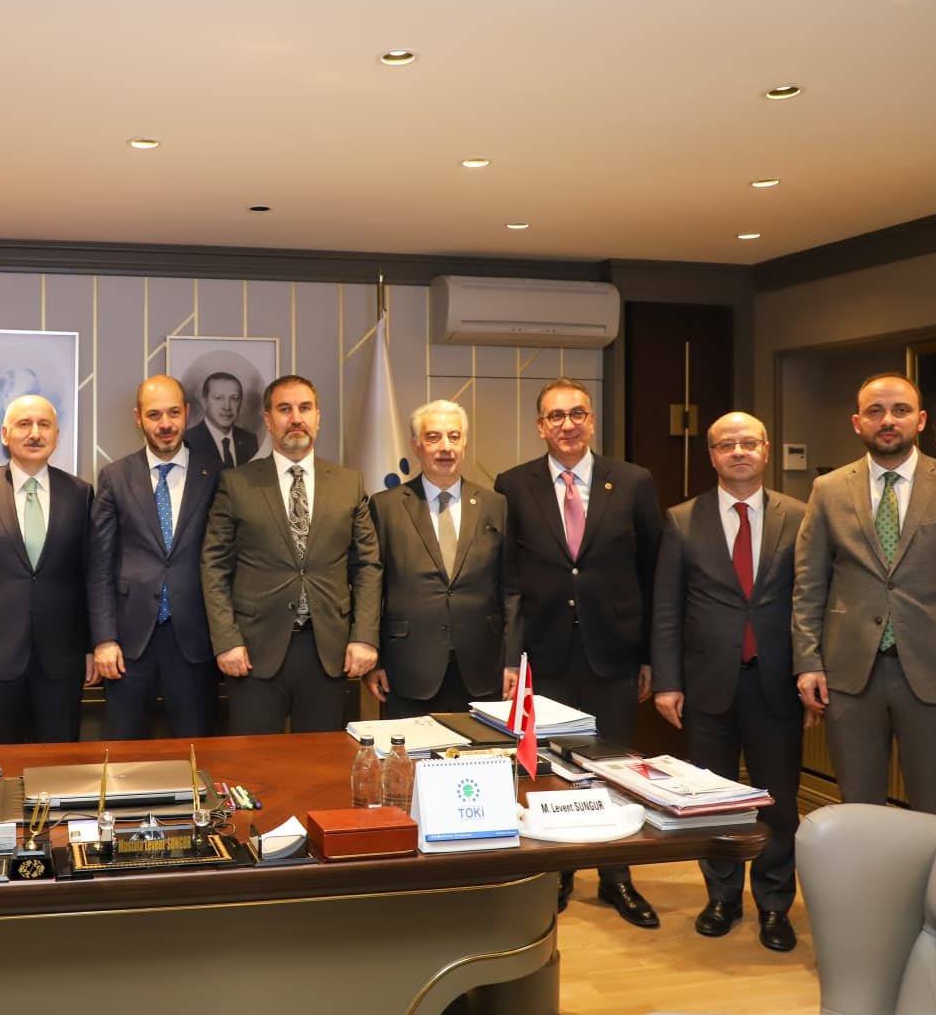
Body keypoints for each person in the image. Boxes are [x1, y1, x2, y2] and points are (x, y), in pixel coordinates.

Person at [494, 377, 662, 927]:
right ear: (539, 426)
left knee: (614, 768)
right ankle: (559, 870)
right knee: (552, 768)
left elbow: (653, 572)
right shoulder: (513, 485)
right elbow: (509, 580)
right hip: (545, 652)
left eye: (577, 414)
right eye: (555, 416)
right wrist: (512, 659)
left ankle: (617, 876)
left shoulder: (632, 482)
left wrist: (650, 656)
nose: (567, 424)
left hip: (614, 650)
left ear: (591, 421)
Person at [793, 372, 936, 818]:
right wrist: (808, 663)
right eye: (875, 411)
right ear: (857, 423)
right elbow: (808, 586)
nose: (888, 420)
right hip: (850, 675)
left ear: (921, 420)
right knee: (859, 811)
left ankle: (933, 872)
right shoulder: (828, 490)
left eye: (900, 410)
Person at [650, 412, 808, 952]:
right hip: (706, 685)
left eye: (747, 443)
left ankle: (774, 904)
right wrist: (667, 681)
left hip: (777, 682)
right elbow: (667, 608)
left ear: (765, 449)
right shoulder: (680, 520)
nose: (737, 452)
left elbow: (811, 602)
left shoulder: (800, 517)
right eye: (725, 445)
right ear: (712, 455)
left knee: (778, 802)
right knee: (712, 800)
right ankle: (722, 897)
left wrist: (811, 673)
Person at [201, 374, 382, 734]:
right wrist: (227, 641)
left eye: (305, 408)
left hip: (328, 650)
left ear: (318, 417)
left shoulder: (349, 483)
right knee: (255, 761)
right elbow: (214, 567)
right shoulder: (236, 483)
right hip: (253, 652)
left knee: (321, 761)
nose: (296, 418)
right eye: (285, 409)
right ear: (268, 420)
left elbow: (367, 567)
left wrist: (364, 636)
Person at [0, 394, 94, 744]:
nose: (35, 433)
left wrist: (91, 646)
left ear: (57, 435)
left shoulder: (80, 493)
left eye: (44, 425)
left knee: (58, 764)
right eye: (24, 424)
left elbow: (91, 576)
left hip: (62, 659)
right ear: (4, 434)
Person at [364, 400, 518, 715]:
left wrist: (512, 660)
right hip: (406, 667)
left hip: (483, 666)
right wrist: (374, 659)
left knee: (480, 748)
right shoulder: (385, 506)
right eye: (433, 437)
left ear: (465, 444)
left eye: (454, 436)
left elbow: (511, 590)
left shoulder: (496, 505)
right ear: (416, 446)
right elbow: (372, 587)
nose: (445, 447)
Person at [88, 376, 221, 739]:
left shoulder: (216, 474)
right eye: (154, 415)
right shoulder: (115, 477)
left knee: (197, 750)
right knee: (124, 754)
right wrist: (103, 639)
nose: (165, 424)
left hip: (195, 640)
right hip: (128, 645)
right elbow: (99, 566)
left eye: (174, 413)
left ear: (187, 413)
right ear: (138, 418)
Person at [185, 372, 259, 468]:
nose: (227, 407)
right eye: (219, 398)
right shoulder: (188, 440)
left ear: (240, 402)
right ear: (204, 402)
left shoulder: (250, 440)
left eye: (234, 398)